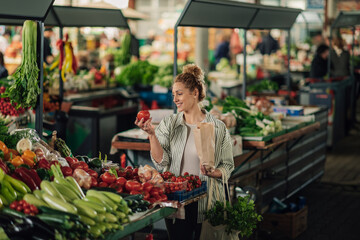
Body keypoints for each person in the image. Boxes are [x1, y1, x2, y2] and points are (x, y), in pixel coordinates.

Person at [135, 64, 234, 240]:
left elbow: (228, 166)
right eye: (173, 95)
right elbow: (161, 161)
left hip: (207, 200)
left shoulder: (218, 127)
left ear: (195, 93)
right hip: (177, 199)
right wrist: (152, 135)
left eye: (179, 94)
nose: (175, 99)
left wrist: (214, 172)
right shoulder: (169, 124)